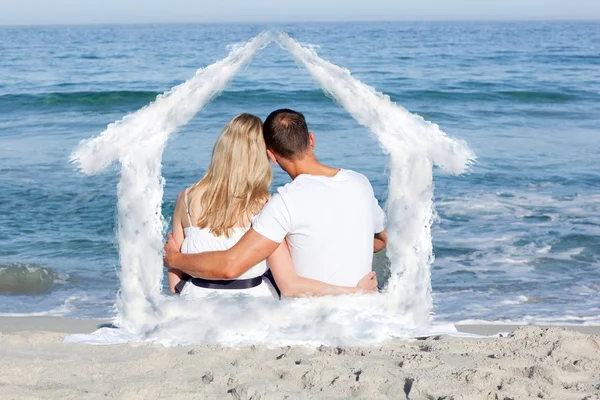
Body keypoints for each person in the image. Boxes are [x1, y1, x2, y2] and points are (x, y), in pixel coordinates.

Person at [168, 112, 378, 299]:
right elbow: (381, 239)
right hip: (257, 304)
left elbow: (178, 283)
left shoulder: (185, 198)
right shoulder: (360, 182)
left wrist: (175, 259)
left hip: (194, 301)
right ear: (311, 139)